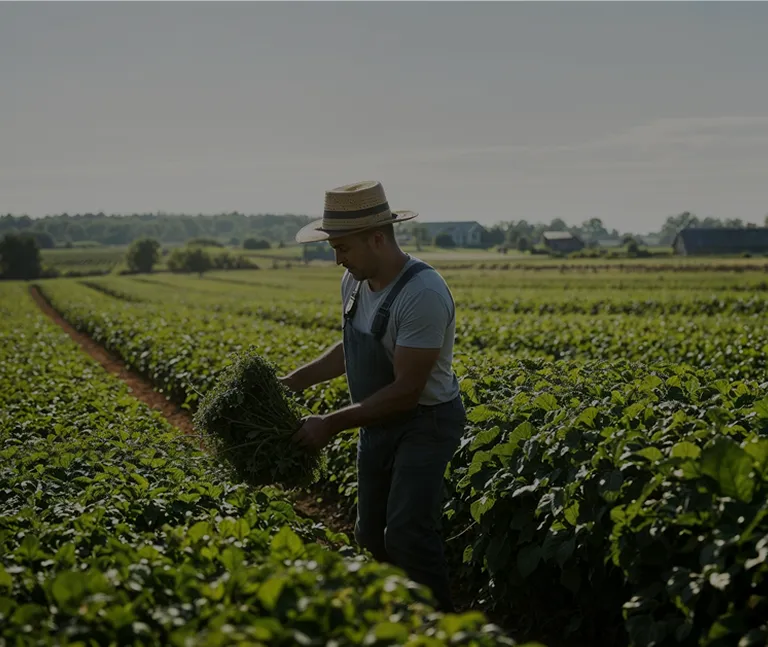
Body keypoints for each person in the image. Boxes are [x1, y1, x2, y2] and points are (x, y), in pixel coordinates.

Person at [280, 180, 466, 612]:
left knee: (406, 533)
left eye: (342, 247)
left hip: (425, 422)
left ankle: (441, 627)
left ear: (377, 239)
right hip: (375, 421)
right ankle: (395, 615)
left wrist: (329, 423)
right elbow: (348, 350)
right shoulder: (355, 281)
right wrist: (291, 383)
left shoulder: (422, 294)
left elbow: (405, 392)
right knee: (369, 534)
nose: (337, 258)